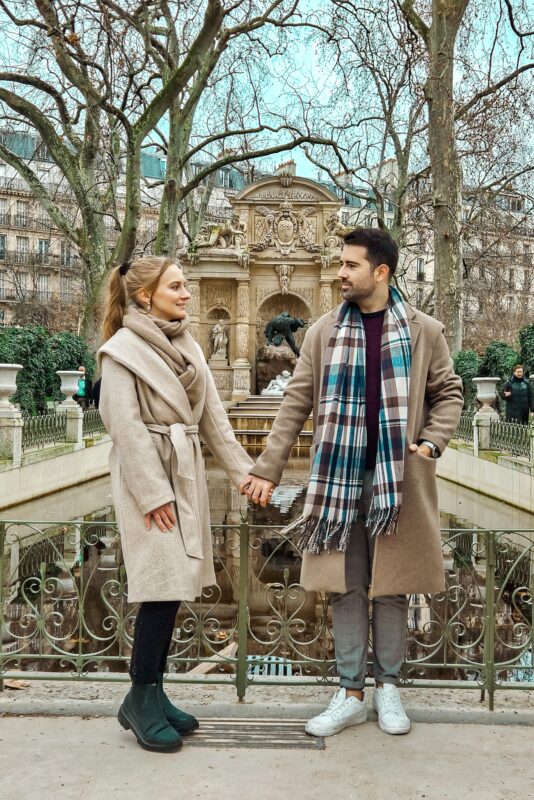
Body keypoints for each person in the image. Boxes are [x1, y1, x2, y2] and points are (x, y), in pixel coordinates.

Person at [241, 228, 463, 738]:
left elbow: (448, 393)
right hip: (336, 479)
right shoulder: (322, 332)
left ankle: (387, 688)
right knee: (344, 586)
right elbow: (296, 401)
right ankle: (349, 692)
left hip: (398, 480)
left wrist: (432, 442)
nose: (340, 272)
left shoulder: (424, 330)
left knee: (392, 589)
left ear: (380, 272)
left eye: (350, 265)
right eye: (340, 264)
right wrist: (266, 469)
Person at [98, 256, 253, 753]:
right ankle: (140, 697)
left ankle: (154, 693)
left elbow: (214, 421)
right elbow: (123, 425)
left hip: (182, 474)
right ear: (146, 295)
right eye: (178, 286)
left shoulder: (188, 344)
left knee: (174, 586)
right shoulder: (119, 351)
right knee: (159, 586)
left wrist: (248, 476)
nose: (188, 294)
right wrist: (154, 493)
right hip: (151, 482)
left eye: (185, 285)